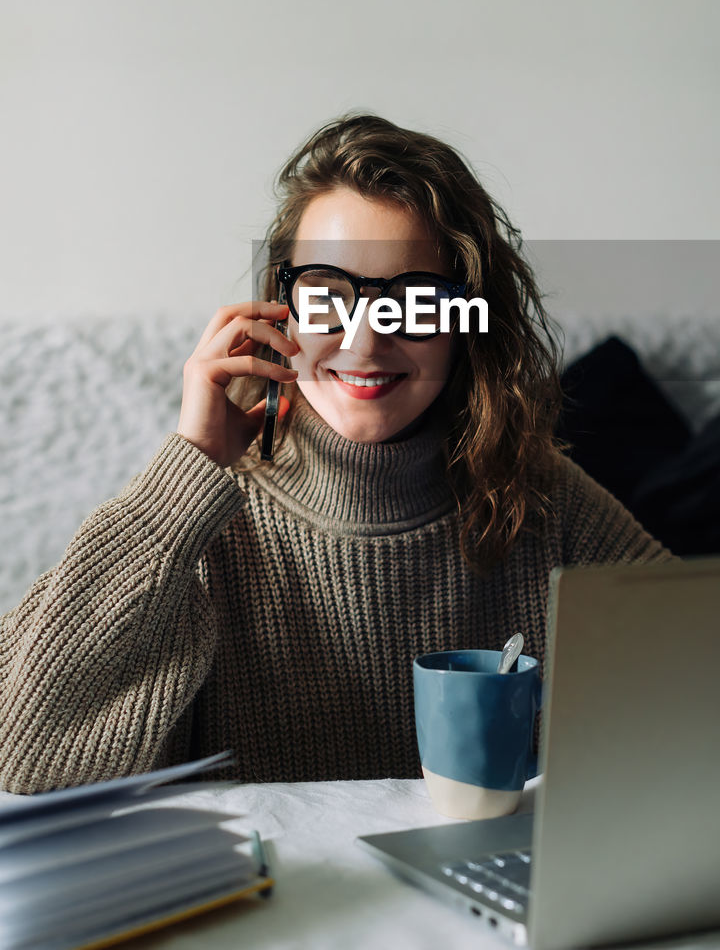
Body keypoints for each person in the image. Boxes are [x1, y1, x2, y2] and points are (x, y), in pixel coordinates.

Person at [0, 114, 674, 795]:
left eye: (413, 300)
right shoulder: (201, 522)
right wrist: (191, 464)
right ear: (280, 310)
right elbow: (21, 761)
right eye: (328, 295)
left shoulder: (543, 501)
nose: (365, 342)